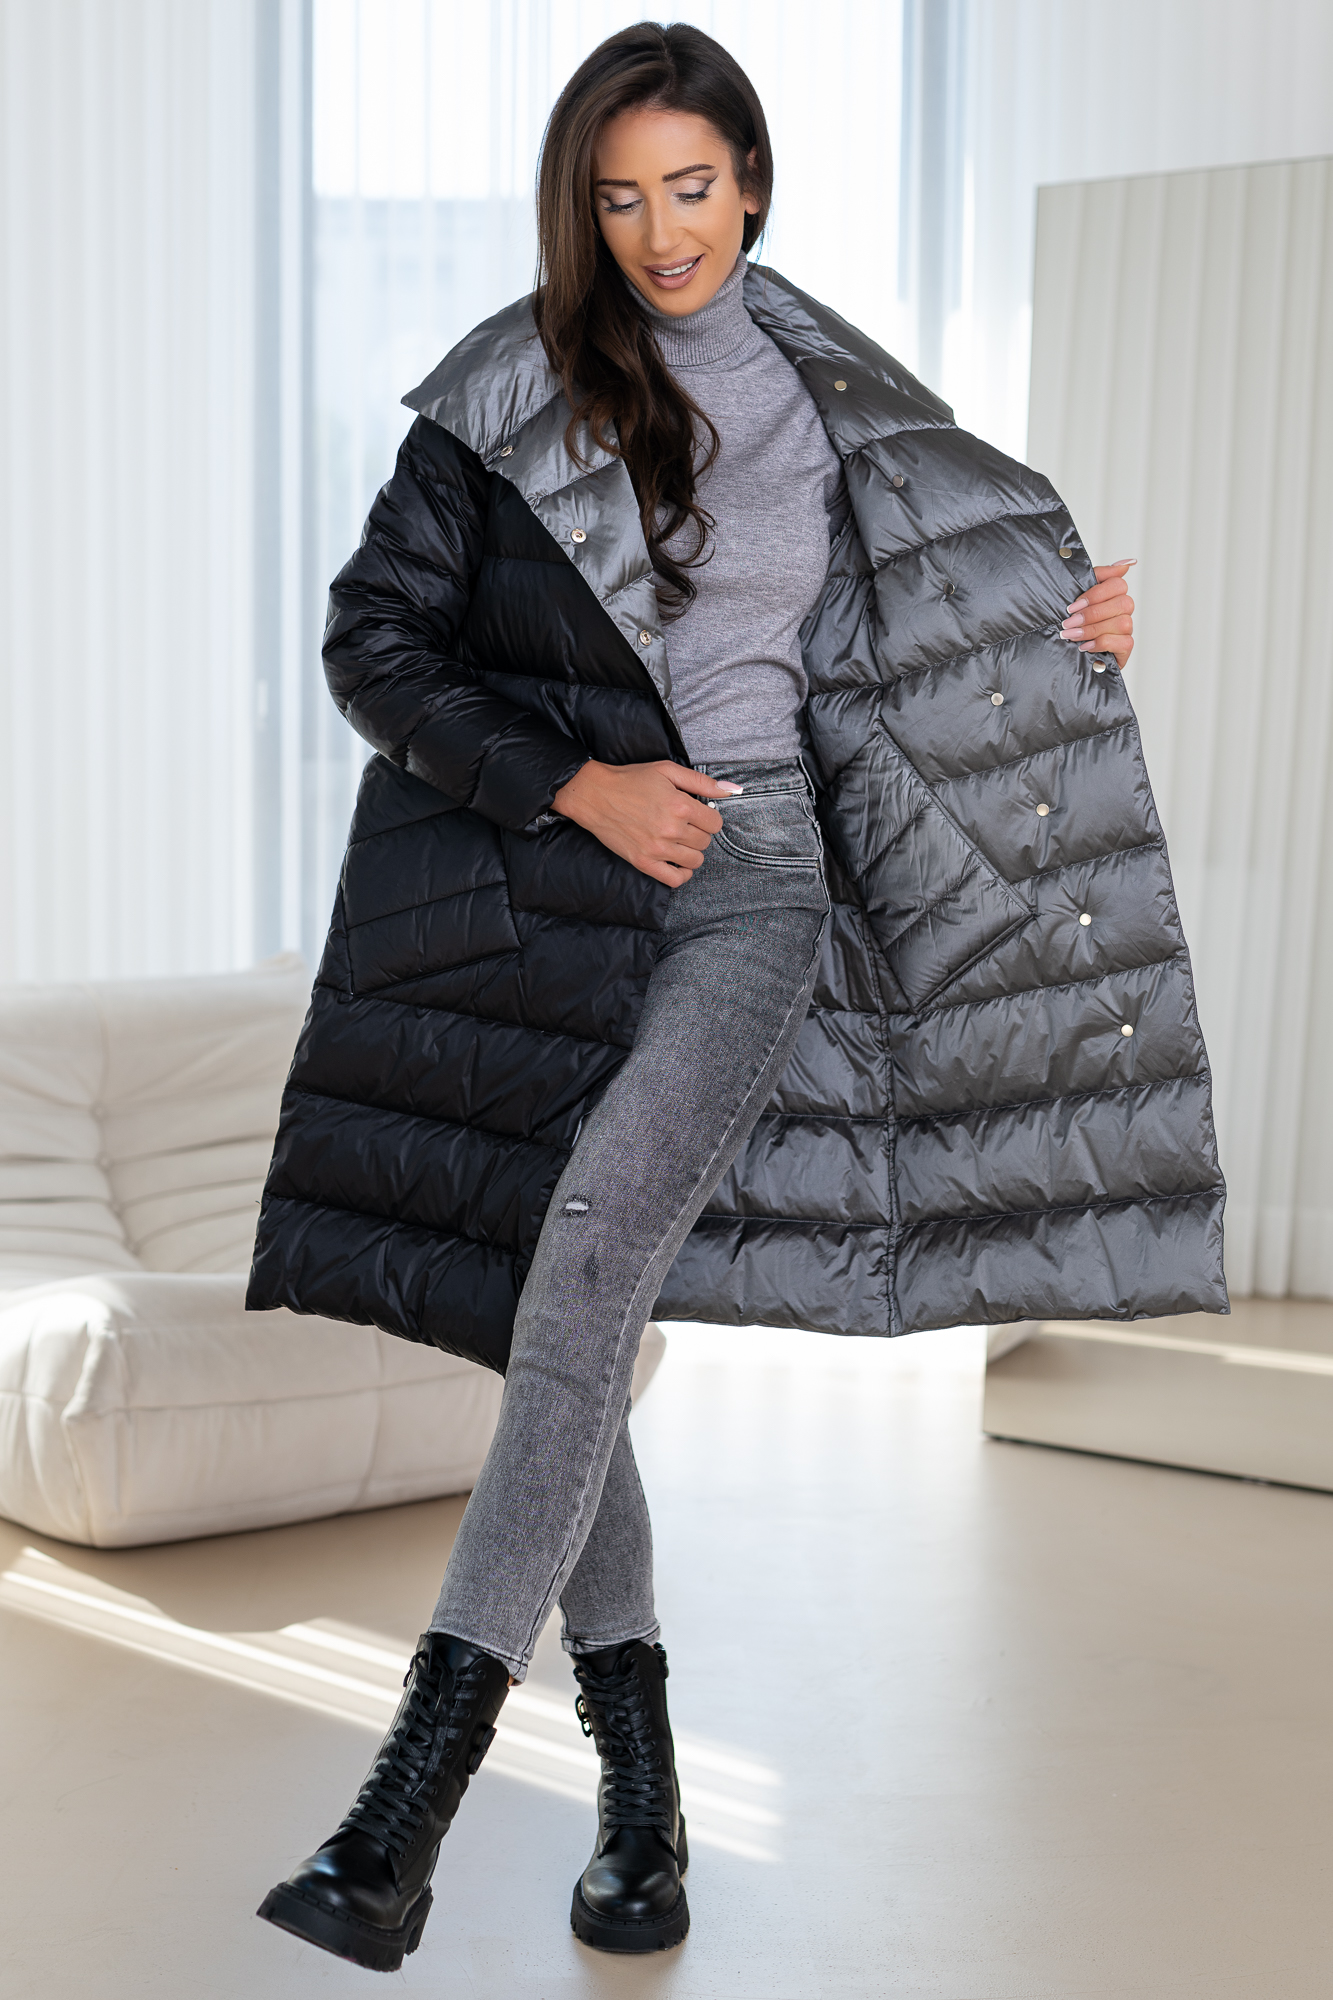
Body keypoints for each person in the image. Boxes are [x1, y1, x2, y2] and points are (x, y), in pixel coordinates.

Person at [251, 18, 1225, 1971]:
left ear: (752, 182)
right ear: (583, 209)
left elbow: (927, 621)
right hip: (547, 896)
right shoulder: (507, 392)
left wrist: (1076, 629)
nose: (661, 230)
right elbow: (372, 641)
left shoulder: (828, 386)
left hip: (756, 884)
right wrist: (577, 781)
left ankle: (403, 1807)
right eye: (621, 197)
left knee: (590, 1262)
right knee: (569, 1301)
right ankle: (641, 1793)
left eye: (690, 186)